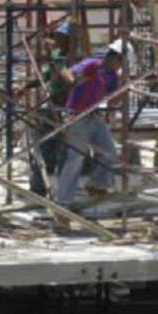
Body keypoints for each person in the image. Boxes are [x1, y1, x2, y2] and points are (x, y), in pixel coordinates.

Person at [55, 40, 125, 206]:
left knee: (109, 152)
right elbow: (66, 72)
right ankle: (64, 200)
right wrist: (73, 79)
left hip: (93, 116)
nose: (119, 67)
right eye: (120, 62)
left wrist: (124, 89)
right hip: (77, 116)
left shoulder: (112, 76)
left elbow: (112, 99)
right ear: (115, 58)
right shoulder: (93, 65)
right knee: (76, 158)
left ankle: (97, 184)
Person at [15, 20, 73, 196]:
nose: (57, 41)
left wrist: (57, 64)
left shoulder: (75, 58)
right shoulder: (56, 56)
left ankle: (64, 190)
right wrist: (25, 87)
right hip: (53, 106)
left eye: (61, 38)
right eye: (57, 37)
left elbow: (70, 80)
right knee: (44, 148)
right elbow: (45, 76)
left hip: (70, 110)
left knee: (67, 152)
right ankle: (39, 187)